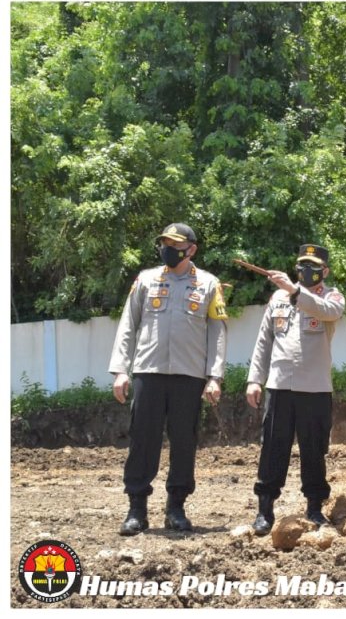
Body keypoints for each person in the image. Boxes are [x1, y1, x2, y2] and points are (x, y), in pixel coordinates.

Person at [109, 223, 228, 536]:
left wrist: (214, 376)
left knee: (184, 441)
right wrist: (121, 370)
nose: (168, 249)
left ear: (191, 249)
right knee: (142, 439)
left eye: (175, 244)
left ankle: (176, 507)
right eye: (164, 243)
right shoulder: (146, 279)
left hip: (189, 376)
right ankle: (137, 510)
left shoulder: (209, 283)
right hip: (149, 372)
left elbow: (217, 332)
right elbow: (127, 325)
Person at [246, 244, 345, 536]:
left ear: (324, 271)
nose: (306, 270)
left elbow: (329, 312)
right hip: (279, 386)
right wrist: (255, 379)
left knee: (313, 449)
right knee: (273, 447)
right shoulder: (278, 299)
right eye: (302, 264)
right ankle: (265, 509)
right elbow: (264, 341)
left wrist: (295, 292)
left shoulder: (331, 296)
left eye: (313, 266)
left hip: (314, 389)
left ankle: (314, 507)